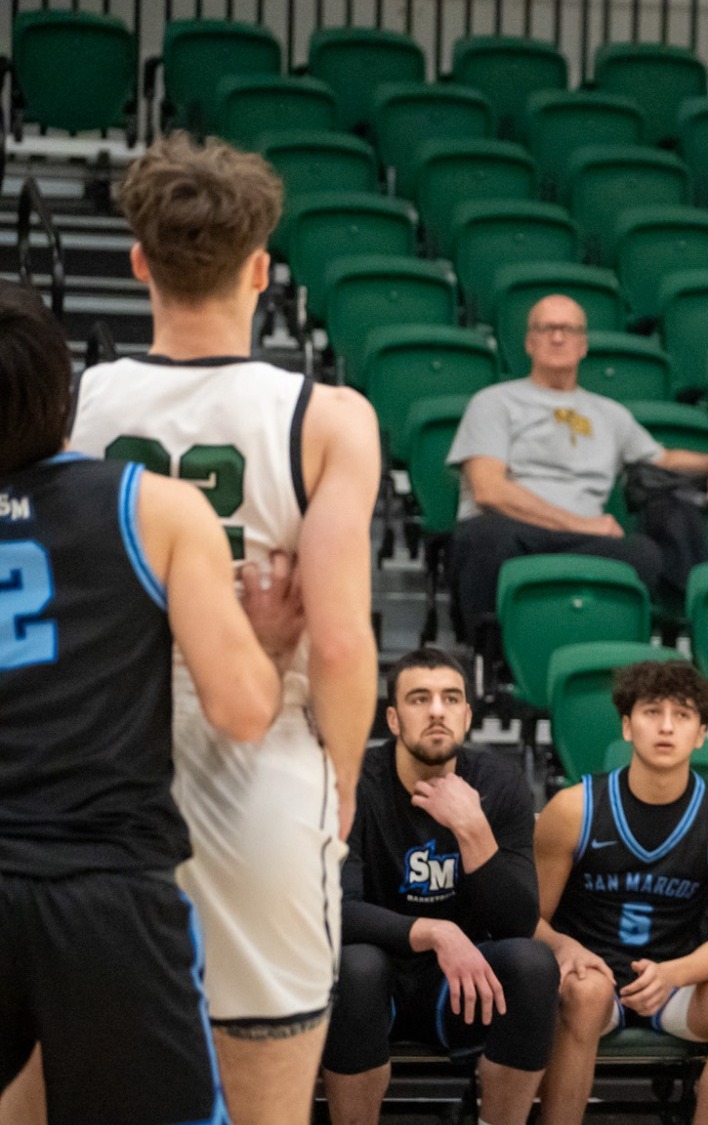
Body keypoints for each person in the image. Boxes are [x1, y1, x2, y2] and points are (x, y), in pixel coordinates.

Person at [65, 132, 380, 1125]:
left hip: (96, 782)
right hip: (260, 781)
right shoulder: (326, 416)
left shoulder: (68, 406)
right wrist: (345, 786)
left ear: (138, 262)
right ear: (260, 268)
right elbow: (336, 643)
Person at [0, 279, 304, 1124]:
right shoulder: (152, 504)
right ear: (65, 392)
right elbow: (243, 711)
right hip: (104, 887)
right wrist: (272, 649)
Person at [320, 648, 557, 1125]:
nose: (436, 710)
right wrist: (436, 931)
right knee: (358, 966)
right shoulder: (353, 782)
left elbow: (518, 922)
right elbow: (336, 910)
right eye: (418, 698)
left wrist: (474, 830)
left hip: (457, 989)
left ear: (468, 716)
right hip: (374, 980)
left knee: (533, 965)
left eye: (451, 698)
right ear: (393, 717)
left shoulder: (499, 783)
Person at [533, 661, 708, 1125]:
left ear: (701, 734)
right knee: (585, 992)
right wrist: (567, 948)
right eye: (651, 712)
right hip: (594, 975)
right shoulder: (574, 808)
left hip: (676, 979)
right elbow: (527, 918)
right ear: (626, 725)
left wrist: (672, 974)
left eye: (682, 716)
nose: (665, 727)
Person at [447, 294, 708, 626]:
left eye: (568, 329)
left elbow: (665, 458)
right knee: (487, 536)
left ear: (583, 345)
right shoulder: (493, 402)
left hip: (584, 544)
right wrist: (584, 524)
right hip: (514, 532)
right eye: (546, 328)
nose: (558, 337)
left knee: (644, 555)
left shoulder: (610, 415)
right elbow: (489, 490)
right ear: (529, 342)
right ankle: (492, 657)